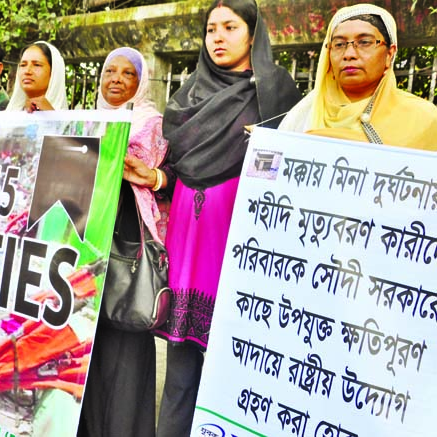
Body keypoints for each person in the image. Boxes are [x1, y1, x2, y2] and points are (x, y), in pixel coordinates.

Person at [124, 1, 301, 434]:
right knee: (180, 370)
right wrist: (157, 178)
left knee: (235, 365)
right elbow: (179, 167)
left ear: (253, 33)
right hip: (189, 236)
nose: (218, 37)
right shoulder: (188, 94)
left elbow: (291, 171)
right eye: (211, 29)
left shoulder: (278, 94)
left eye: (230, 27)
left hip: (240, 240)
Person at [78, 47, 168, 437]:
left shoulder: (151, 124)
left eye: (126, 73)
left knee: (124, 347)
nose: (115, 79)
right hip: (88, 246)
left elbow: (153, 180)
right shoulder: (86, 120)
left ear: (141, 82)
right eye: (109, 71)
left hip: (126, 248)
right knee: (89, 350)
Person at [279, 4, 437, 148]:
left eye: (364, 42)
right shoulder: (303, 115)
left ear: (389, 54)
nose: (349, 54)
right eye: (339, 44)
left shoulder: (424, 119)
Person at [6, 41, 68, 111]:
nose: (27, 71)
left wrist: (51, 115)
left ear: (53, 72)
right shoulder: (7, 118)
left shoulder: (71, 121)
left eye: (37, 65)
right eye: (23, 65)